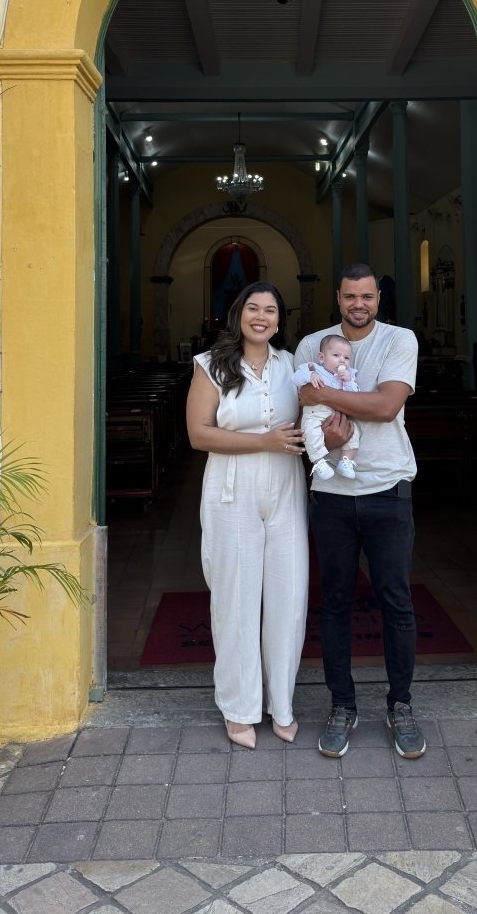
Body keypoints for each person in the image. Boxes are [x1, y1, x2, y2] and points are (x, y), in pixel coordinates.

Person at [294, 263, 425, 760]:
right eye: (350, 296)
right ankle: (342, 706)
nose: (358, 304)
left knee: (396, 601)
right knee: (334, 603)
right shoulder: (311, 344)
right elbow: (301, 411)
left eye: (366, 296)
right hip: (331, 494)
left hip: (388, 487)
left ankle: (400, 705)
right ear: (338, 297)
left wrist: (324, 394)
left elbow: (387, 407)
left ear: (377, 299)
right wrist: (330, 417)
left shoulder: (398, 340)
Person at [186, 282, 308, 749]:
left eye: (270, 310)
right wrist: (264, 441)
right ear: (238, 314)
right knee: (235, 598)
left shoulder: (292, 365)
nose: (261, 317)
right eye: (253, 308)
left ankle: (282, 704)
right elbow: (198, 434)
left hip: (286, 488)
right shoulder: (211, 365)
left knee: (288, 594)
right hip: (231, 490)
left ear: (279, 320)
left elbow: (310, 419)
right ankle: (238, 708)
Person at [292, 334, 361, 481]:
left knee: (354, 431)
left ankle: (346, 461)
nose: (342, 360)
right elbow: (295, 379)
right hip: (315, 413)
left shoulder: (348, 375)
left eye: (346, 358)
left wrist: (348, 381)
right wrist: (310, 376)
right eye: (336, 355)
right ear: (322, 358)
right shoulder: (313, 368)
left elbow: (355, 396)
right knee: (310, 432)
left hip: (338, 414)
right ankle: (319, 462)